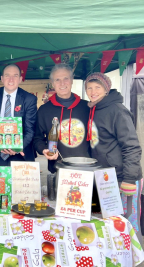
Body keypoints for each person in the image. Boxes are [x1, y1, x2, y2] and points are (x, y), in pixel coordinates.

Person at [85, 72, 142, 235]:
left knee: (127, 223)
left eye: (98, 87)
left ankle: (133, 258)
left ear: (106, 89)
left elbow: (132, 145)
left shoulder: (117, 110)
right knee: (113, 224)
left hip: (123, 178)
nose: (93, 91)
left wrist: (129, 179)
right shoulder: (94, 109)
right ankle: (117, 258)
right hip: (107, 176)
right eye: (89, 88)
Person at [33, 63, 90, 173]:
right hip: (57, 169)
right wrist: (43, 149)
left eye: (66, 78)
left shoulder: (87, 107)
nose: (62, 83)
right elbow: (37, 138)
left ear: (72, 80)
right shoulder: (44, 110)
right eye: (57, 80)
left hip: (86, 168)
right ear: (52, 83)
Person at [0, 64, 37, 165]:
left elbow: (30, 130)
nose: (11, 79)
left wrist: (17, 147)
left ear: (20, 79)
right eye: (7, 75)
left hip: (21, 153)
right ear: (2, 78)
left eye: (15, 76)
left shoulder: (29, 99)